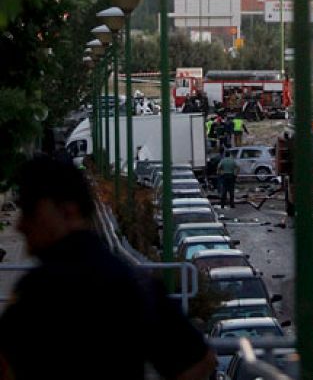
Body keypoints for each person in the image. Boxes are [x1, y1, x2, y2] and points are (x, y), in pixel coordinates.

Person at [0, 157, 216, 380]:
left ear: (67, 211)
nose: (20, 225)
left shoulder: (36, 291)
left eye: (31, 211)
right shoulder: (132, 283)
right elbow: (199, 360)